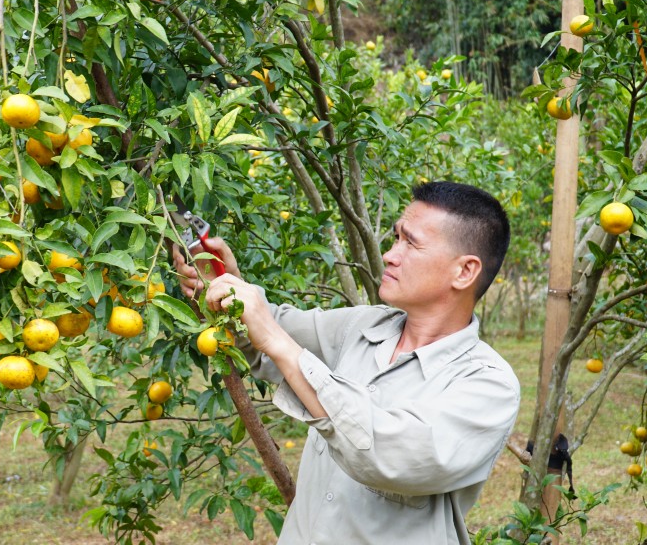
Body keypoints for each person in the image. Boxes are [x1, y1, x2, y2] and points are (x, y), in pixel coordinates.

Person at [172, 181, 520, 545]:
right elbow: (259, 337)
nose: (390, 254)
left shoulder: (488, 385)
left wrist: (279, 343)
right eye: (396, 237)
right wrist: (226, 289)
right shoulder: (363, 327)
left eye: (411, 243)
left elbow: (388, 456)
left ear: (464, 272)